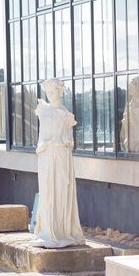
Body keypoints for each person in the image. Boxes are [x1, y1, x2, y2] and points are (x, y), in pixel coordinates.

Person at [30, 78, 85, 248]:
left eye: (53, 91)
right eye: (48, 92)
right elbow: (41, 137)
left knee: (61, 189)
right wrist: (43, 146)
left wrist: (60, 142)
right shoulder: (44, 110)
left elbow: (69, 140)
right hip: (46, 156)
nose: (50, 95)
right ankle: (48, 230)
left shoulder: (66, 114)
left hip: (61, 156)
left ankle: (61, 230)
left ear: (60, 91)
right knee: (48, 190)